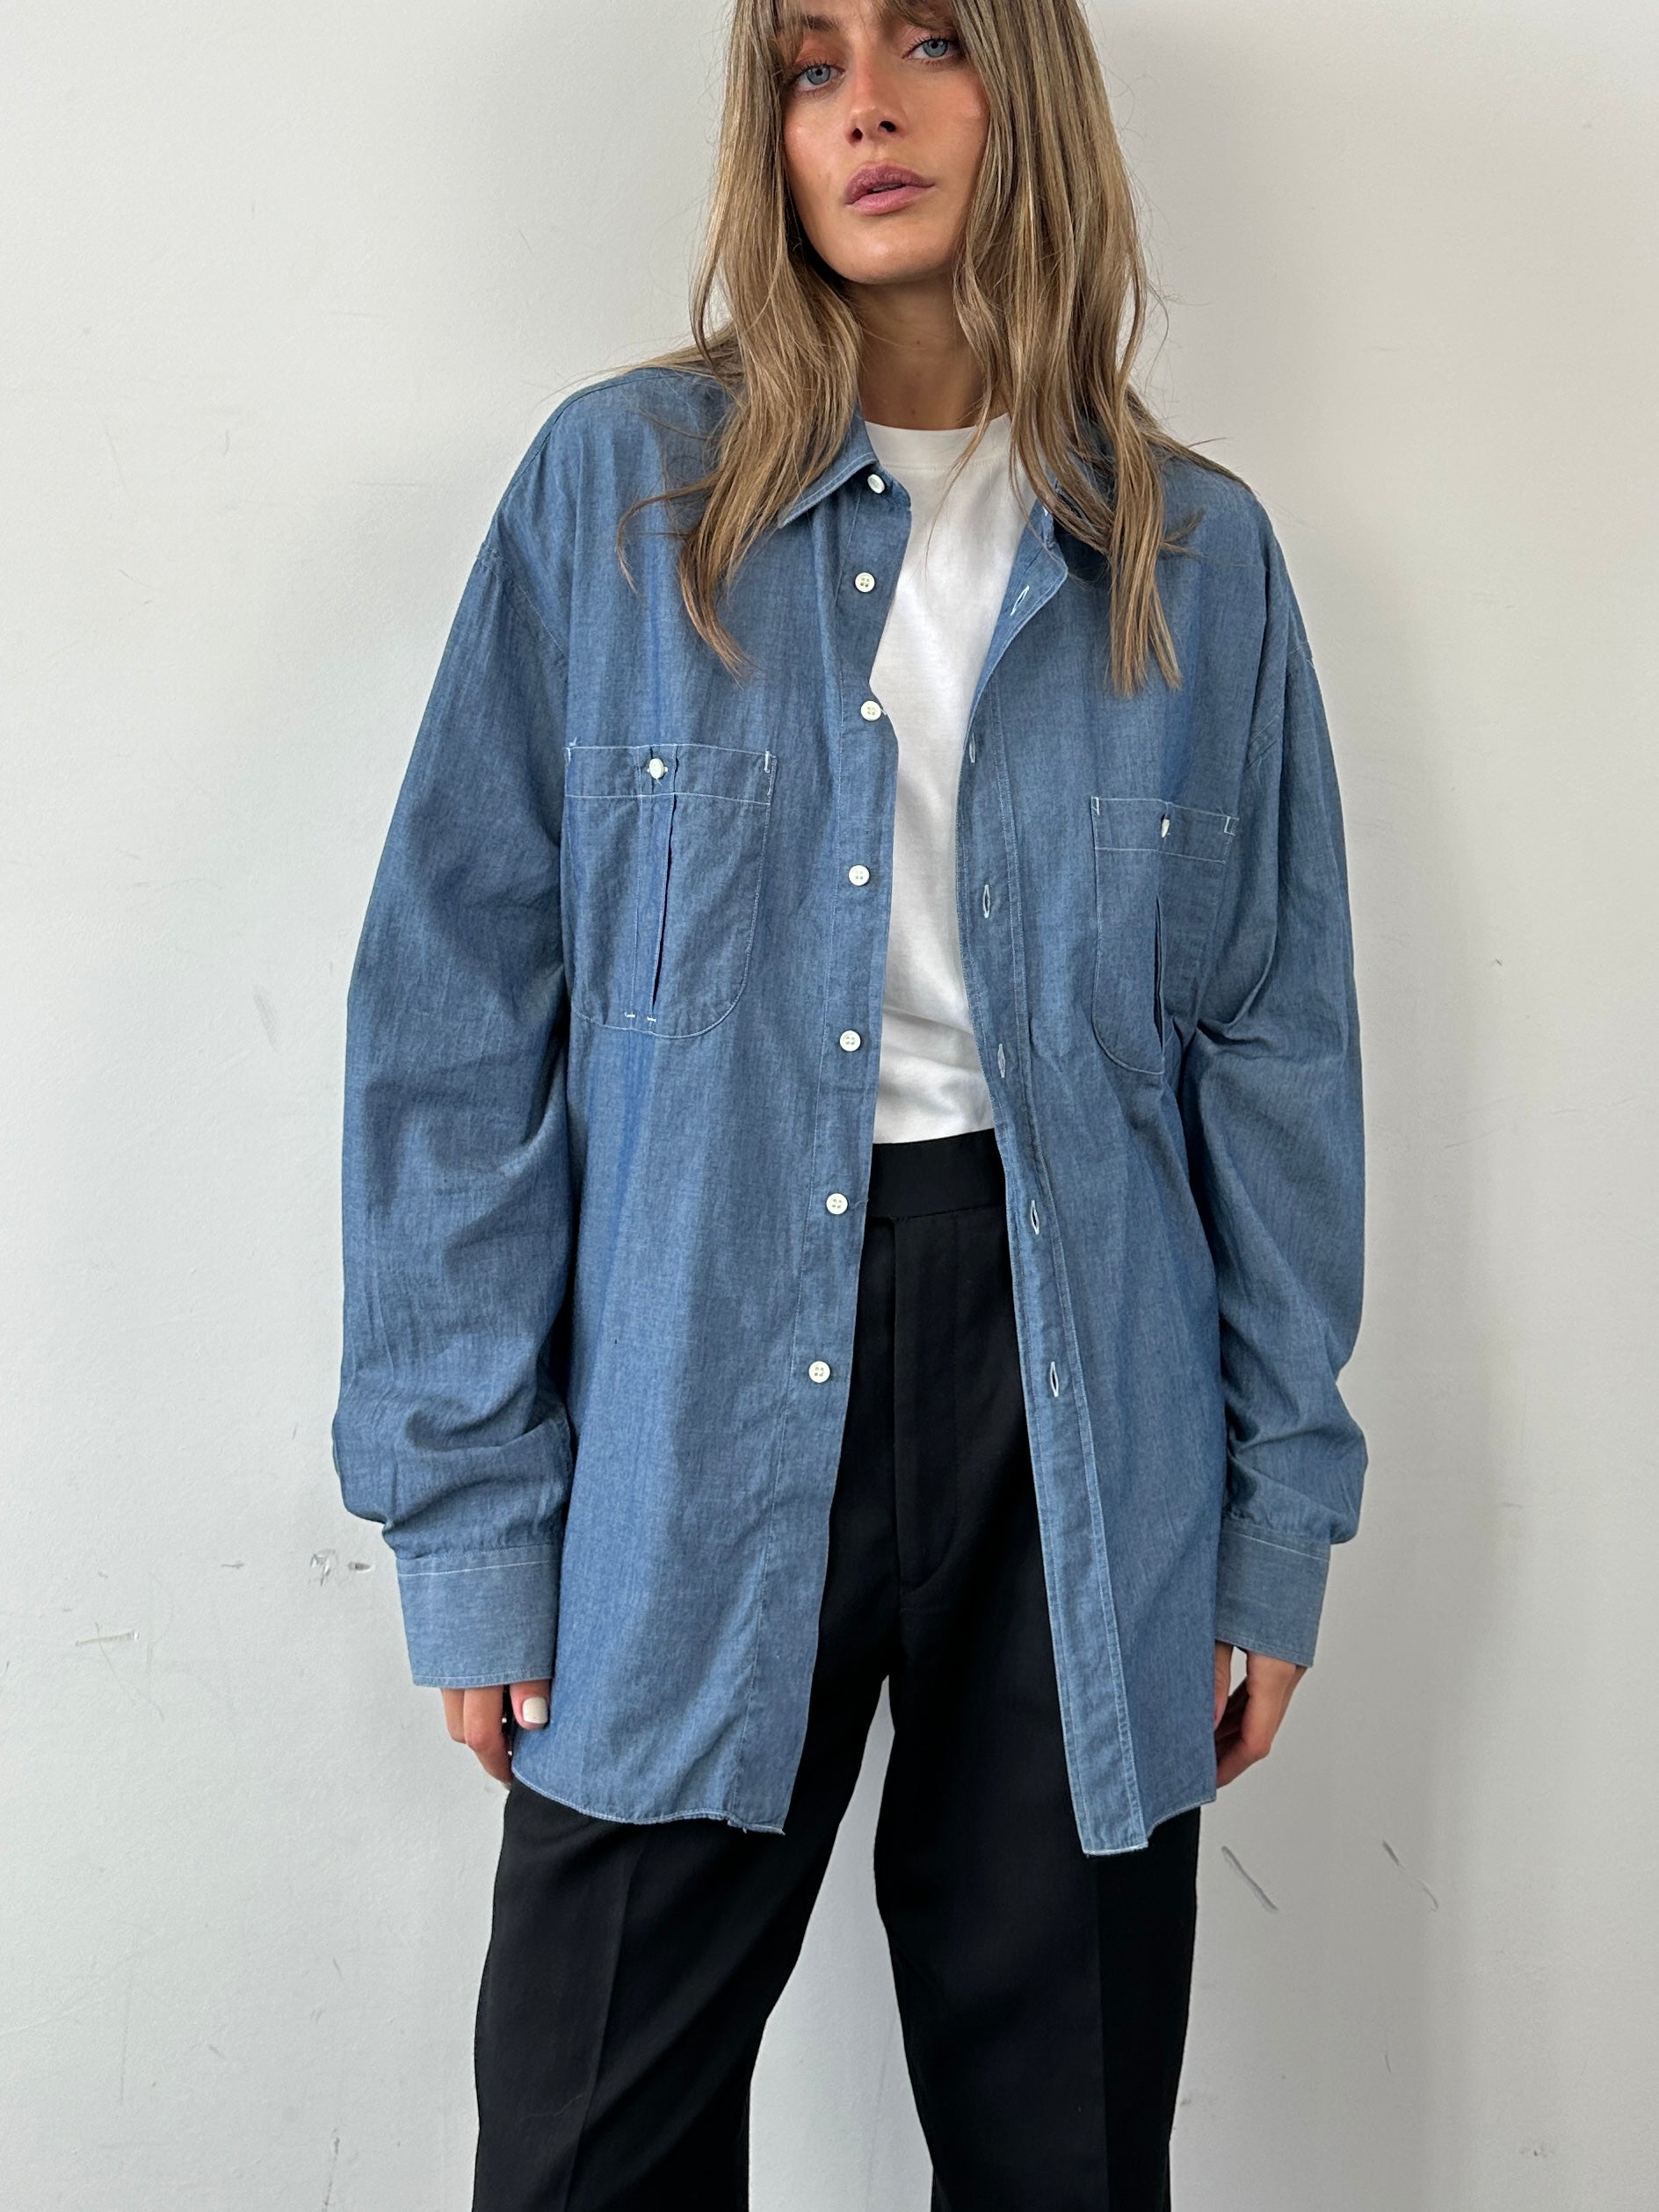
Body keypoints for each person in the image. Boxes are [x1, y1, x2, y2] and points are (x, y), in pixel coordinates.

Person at [330, 1, 1368, 2204]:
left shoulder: (1195, 557)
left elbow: (1269, 1052)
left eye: (926, 42)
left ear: (1031, 92)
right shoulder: (620, 496)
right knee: (583, 2150)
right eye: (806, 65)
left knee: (1062, 2150)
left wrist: (1269, 1513)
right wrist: (477, 1522)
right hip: (691, 1378)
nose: (865, 106)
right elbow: (453, 1015)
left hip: (1079, 1398)